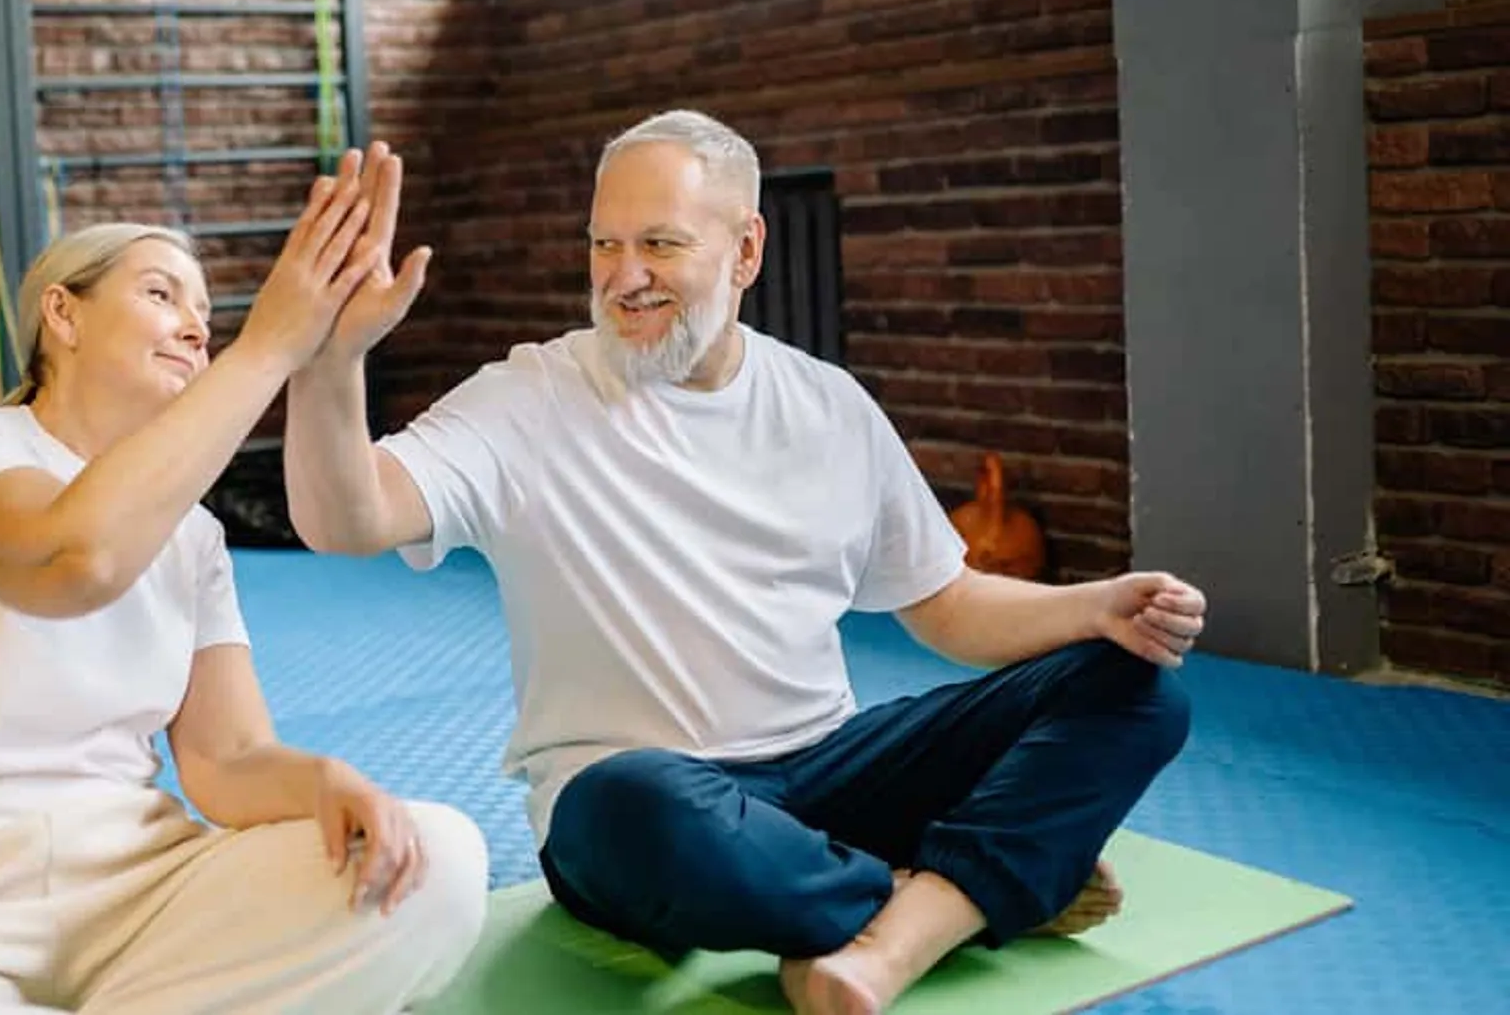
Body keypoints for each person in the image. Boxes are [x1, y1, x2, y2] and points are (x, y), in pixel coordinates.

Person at [284, 114, 1203, 1015]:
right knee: (634, 804)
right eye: (604, 245)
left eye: (659, 244)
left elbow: (949, 605)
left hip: (832, 773)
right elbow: (347, 519)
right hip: (646, 802)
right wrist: (331, 361)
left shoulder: (828, 405)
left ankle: (893, 927)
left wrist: (1096, 608)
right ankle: (960, 896)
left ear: (747, 250)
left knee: (1135, 686)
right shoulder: (528, 399)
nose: (624, 277)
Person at [0, 162, 489, 1015]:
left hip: (139, 895)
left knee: (437, 860)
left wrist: (329, 782)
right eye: (160, 294)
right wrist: (267, 347)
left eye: (206, 316)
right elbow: (71, 560)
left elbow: (226, 761)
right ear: (62, 313)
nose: (195, 327)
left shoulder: (197, 536)